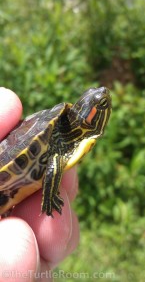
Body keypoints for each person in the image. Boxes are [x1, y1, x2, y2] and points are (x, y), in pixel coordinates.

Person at [0, 87, 79, 281]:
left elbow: (55, 164)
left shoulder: (65, 141)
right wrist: (50, 196)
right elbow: (54, 166)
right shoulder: (59, 136)